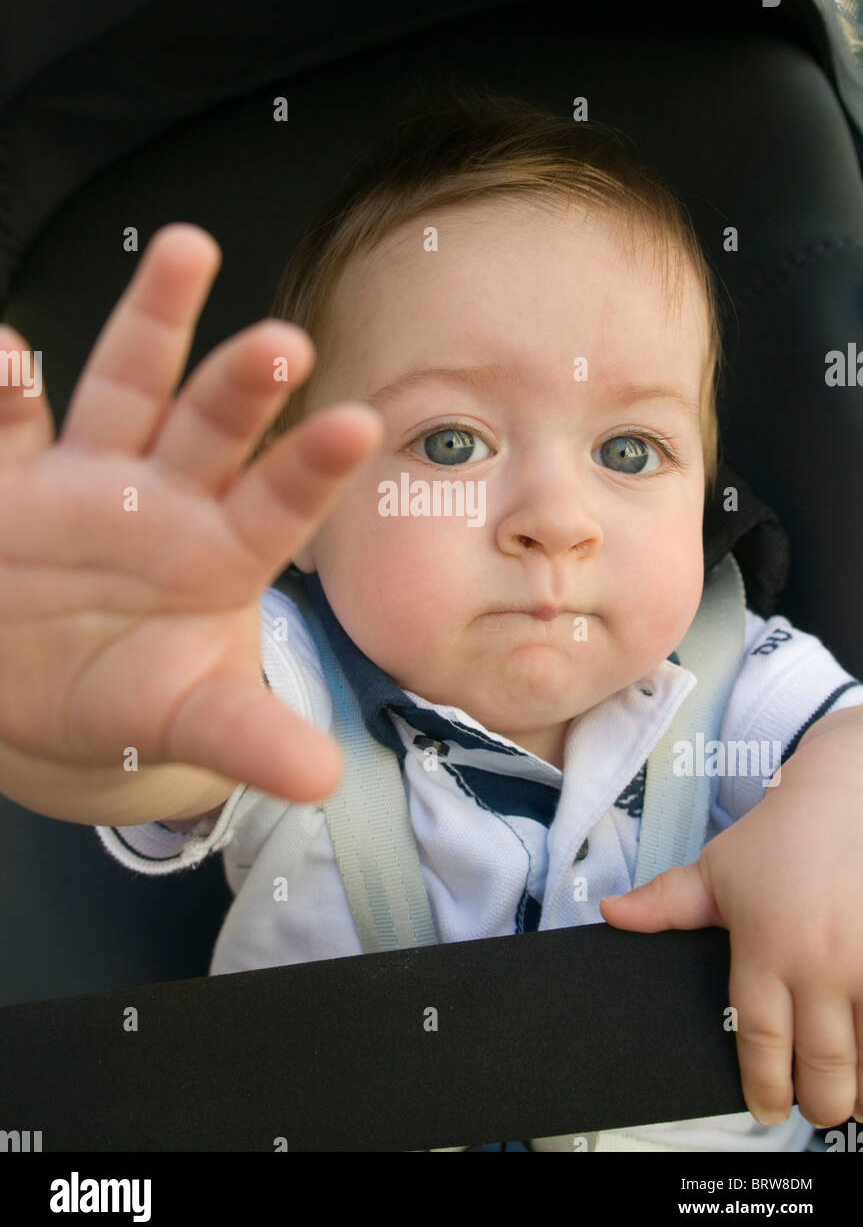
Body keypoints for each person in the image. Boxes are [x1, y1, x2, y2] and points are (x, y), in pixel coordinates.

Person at [1, 90, 861, 1152]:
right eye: (450, 445)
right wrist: (99, 695)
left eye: (628, 451)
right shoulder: (294, 683)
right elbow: (175, 736)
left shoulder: (733, 681)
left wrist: (834, 832)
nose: (555, 520)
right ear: (305, 504)